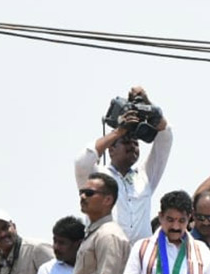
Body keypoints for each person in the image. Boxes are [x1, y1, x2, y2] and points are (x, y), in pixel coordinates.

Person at [74, 86, 173, 244]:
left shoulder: (145, 176)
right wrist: (118, 131)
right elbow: (82, 161)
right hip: (107, 255)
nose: (132, 146)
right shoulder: (98, 178)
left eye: (136, 143)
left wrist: (149, 106)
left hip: (139, 261)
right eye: (126, 141)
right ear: (111, 149)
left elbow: (165, 138)